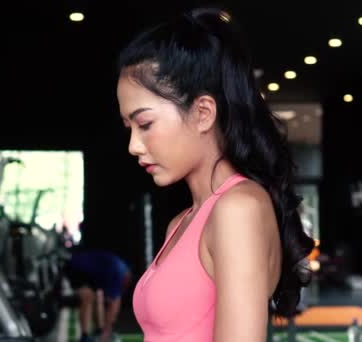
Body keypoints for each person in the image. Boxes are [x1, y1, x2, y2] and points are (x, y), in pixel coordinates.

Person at [116, 6, 315, 341]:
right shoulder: (181, 223)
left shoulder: (239, 209)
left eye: (145, 124)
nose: (134, 145)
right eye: (128, 128)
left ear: (203, 113)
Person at [64, 249, 132, 342]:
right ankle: (86, 336)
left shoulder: (120, 269)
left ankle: (98, 331)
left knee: (97, 297)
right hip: (77, 268)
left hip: (88, 271)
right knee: (88, 298)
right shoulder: (118, 273)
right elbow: (113, 305)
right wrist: (107, 331)